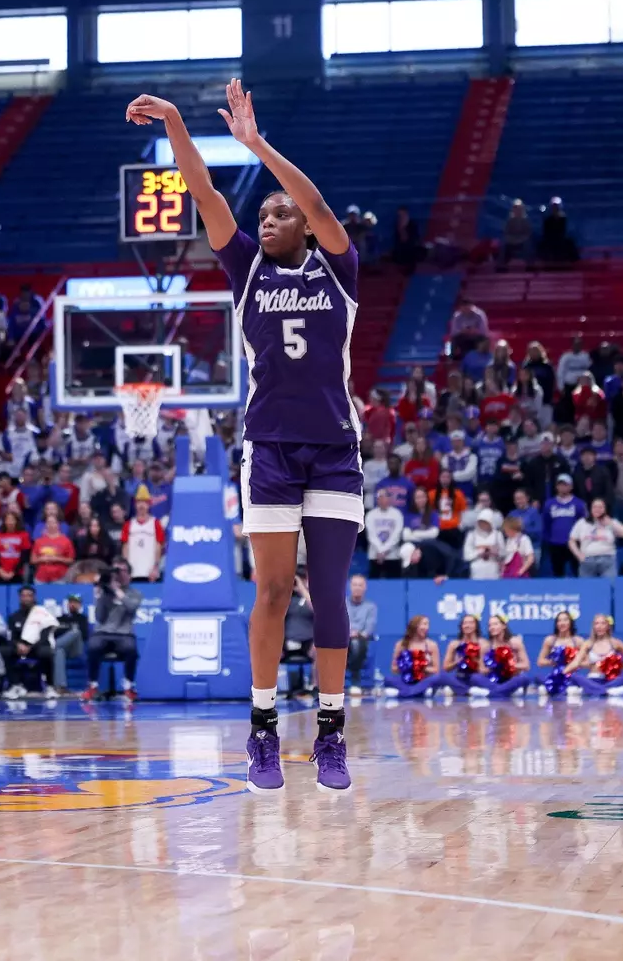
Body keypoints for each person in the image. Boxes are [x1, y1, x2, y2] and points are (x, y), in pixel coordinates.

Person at [127, 79, 360, 794]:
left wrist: (257, 146)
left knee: (329, 593)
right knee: (273, 590)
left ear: (305, 226)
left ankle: (330, 736)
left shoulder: (340, 268)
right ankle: (262, 730)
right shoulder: (246, 267)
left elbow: (319, 205)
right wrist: (175, 121)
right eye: (264, 212)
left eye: (281, 213)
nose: (270, 219)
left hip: (335, 450)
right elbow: (203, 192)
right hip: (270, 449)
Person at [81, 562, 143, 700]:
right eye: (115, 571)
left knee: (131, 649)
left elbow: (131, 607)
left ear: (129, 575)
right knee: (93, 647)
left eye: (121, 571)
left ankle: (128, 686)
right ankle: (92, 686)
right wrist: (98, 596)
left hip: (124, 634)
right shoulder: (105, 593)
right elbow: (99, 617)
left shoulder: (135, 593)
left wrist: (117, 590)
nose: (117, 574)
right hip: (102, 633)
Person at [563, 614, 623, 697]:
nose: (599, 626)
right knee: (574, 676)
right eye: (597, 623)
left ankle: (593, 691)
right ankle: (607, 691)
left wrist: (616, 665)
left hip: (611, 680)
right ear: (593, 627)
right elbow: (576, 662)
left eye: (603, 623)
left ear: (608, 626)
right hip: (593, 680)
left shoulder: (615, 643)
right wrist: (563, 672)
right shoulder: (588, 644)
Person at [5, 586, 60, 698]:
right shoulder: (14, 617)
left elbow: (45, 635)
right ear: (19, 598)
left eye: (29, 595)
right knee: (5, 651)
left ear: (34, 597)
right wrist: (18, 645)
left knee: (46, 652)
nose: (26, 598)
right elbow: (11, 637)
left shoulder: (42, 613)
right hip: (21, 648)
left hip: (37, 646)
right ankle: (16, 685)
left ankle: (50, 686)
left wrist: (31, 646)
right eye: (23, 596)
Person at [381, 615, 451, 698]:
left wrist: (420, 667)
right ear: (414, 626)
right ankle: (417, 692)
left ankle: (406, 692)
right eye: (424, 624)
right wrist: (407, 667)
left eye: (428, 624)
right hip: (406, 680)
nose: (427, 627)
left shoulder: (432, 645)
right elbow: (393, 669)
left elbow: (436, 670)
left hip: (423, 681)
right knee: (388, 679)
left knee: (439, 678)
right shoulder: (401, 644)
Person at [569, 497, 623, 579]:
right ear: (590, 509)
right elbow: (572, 541)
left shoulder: (611, 522)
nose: (597, 509)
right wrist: (578, 555)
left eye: (600, 507)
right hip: (587, 560)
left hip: (607, 559)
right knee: (586, 586)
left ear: (605, 509)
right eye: (594, 507)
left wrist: (611, 523)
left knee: (609, 585)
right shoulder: (582, 523)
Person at [536, 611, 582, 695]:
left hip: (571, 675)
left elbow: (587, 662)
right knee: (538, 677)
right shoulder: (550, 640)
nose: (562, 623)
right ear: (556, 624)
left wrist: (573, 663)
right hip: (555, 675)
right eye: (559, 621)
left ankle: (562, 688)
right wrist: (554, 662)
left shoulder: (578, 641)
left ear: (570, 623)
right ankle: (553, 687)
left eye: (565, 620)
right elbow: (540, 661)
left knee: (576, 679)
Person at [52, 591, 89, 693]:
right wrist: (69, 629)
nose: (73, 604)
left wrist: (67, 630)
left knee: (76, 632)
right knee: (59, 651)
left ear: (80, 605)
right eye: (71, 602)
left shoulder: (82, 619)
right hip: (63, 647)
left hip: (76, 649)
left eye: (76, 603)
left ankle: (53, 646)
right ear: (67, 604)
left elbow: (84, 635)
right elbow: (54, 633)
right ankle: (61, 686)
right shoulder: (59, 619)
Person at [365, 488, 405, 580]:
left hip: (393, 556)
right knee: (374, 583)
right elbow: (371, 535)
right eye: (380, 497)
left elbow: (397, 535)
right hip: (375, 555)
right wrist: (380, 550)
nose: (382, 499)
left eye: (384, 496)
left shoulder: (397, 514)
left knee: (394, 583)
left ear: (389, 498)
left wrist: (384, 550)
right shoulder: (371, 515)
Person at [346, 575, 376, 694]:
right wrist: (348, 633)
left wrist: (357, 633)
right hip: (343, 639)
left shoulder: (371, 607)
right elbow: (337, 624)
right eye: (355, 585)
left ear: (365, 587)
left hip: (361, 639)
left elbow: (368, 629)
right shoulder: (342, 603)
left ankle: (355, 678)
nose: (357, 588)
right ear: (350, 587)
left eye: (360, 585)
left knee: (356, 643)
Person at [498, 199, 533, 268]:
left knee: (528, 245)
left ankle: (530, 266)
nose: (517, 210)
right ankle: (501, 266)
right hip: (511, 242)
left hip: (522, 242)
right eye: (516, 208)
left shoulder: (526, 222)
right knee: (503, 245)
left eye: (519, 209)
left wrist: (520, 239)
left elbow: (528, 234)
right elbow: (506, 233)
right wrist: (512, 240)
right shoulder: (509, 221)